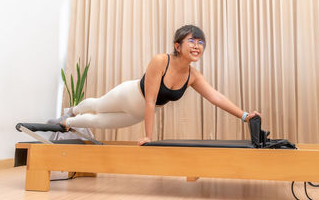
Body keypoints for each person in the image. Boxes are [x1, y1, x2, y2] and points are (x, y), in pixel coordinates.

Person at [48, 25, 260, 145]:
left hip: (138, 113)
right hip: (129, 95)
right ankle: (70, 111)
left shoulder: (193, 76)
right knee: (98, 105)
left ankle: (67, 124)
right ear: (177, 45)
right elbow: (150, 100)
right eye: (192, 41)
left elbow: (216, 97)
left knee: (99, 123)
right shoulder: (161, 60)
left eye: (200, 43)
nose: (197, 46)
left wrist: (244, 115)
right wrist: (149, 136)